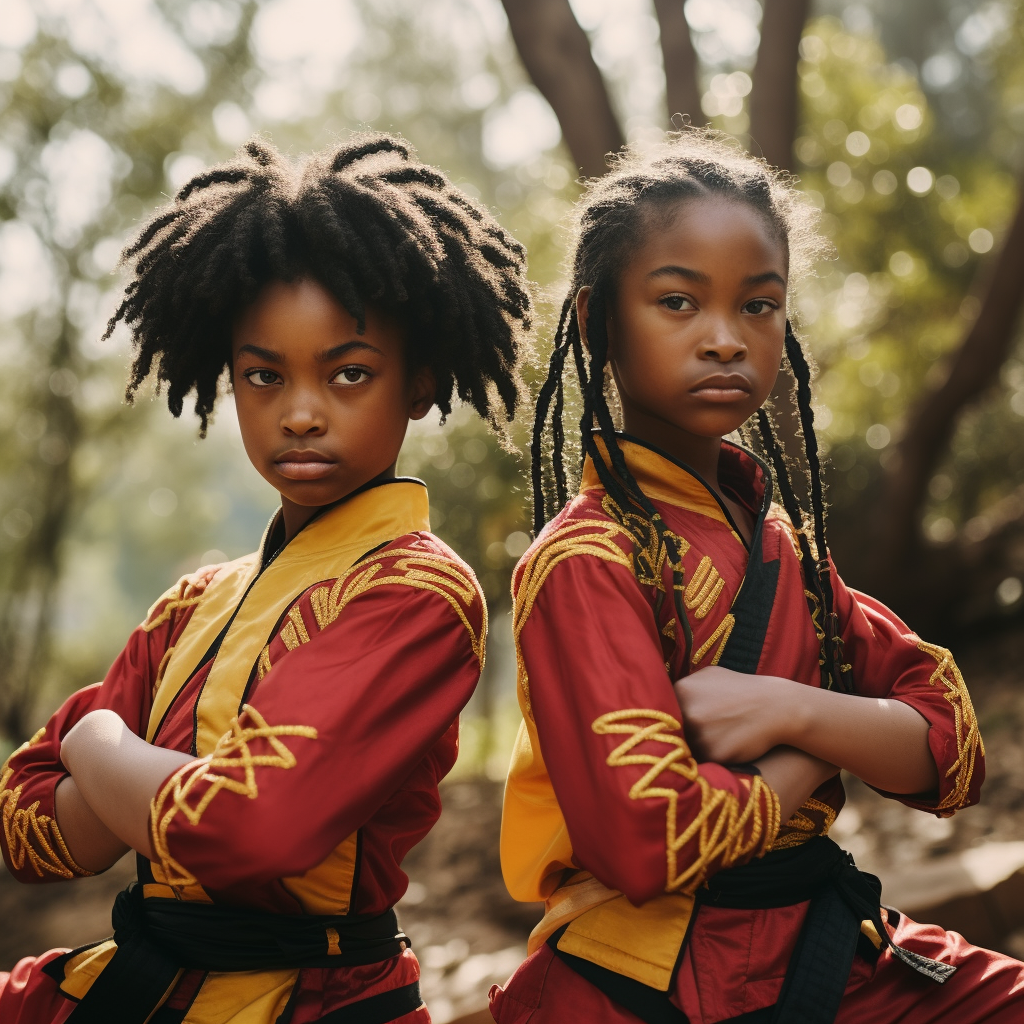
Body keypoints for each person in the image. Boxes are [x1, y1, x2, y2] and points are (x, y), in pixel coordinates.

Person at [490, 131, 1024, 1024]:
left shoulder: (785, 544)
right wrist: (831, 749)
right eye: (677, 302)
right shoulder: (584, 560)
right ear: (596, 323)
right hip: (647, 981)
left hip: (818, 940)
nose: (726, 340)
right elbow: (648, 838)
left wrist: (792, 713)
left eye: (759, 306)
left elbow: (952, 742)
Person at [0, 133, 531, 1024]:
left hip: (319, 1002)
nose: (300, 413)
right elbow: (22, 822)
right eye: (263, 375)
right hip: (132, 986)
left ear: (419, 384)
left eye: (349, 373)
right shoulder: (192, 604)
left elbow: (254, 830)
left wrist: (97, 745)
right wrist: (154, 794)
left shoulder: (418, 594)